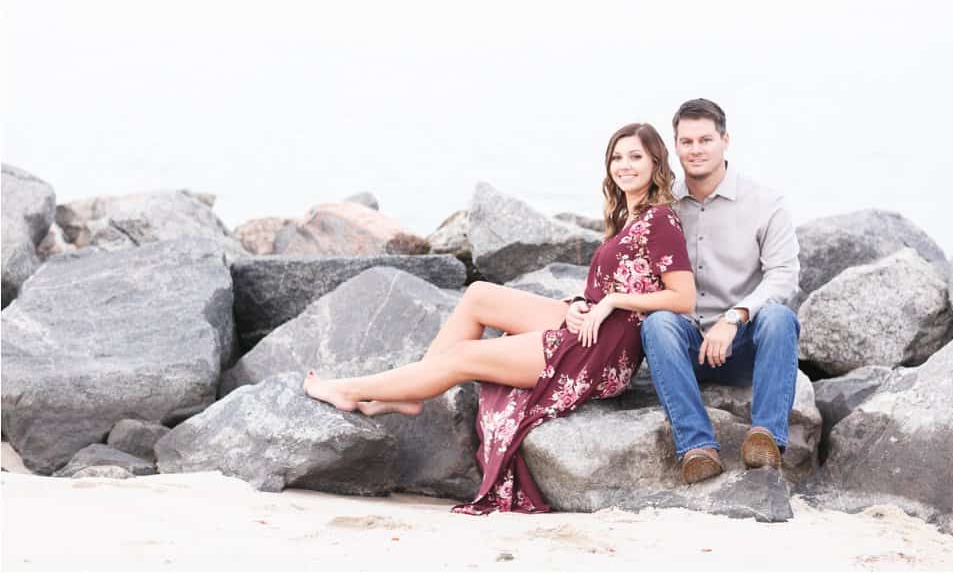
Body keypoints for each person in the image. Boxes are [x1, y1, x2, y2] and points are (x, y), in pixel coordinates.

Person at [303, 122, 695, 514]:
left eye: (635, 157)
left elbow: (683, 297)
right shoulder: (626, 214)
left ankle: (354, 390)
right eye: (617, 157)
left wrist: (612, 302)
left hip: (599, 353)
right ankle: (410, 396)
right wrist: (581, 300)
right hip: (588, 324)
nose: (624, 166)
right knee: (478, 296)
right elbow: (613, 280)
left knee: (465, 356)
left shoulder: (660, 219)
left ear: (656, 161)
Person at [640, 98, 800, 485]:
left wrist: (736, 316)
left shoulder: (765, 202)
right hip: (685, 344)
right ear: (674, 147)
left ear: (725, 140)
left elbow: (783, 276)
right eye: (686, 141)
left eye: (705, 140)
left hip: (742, 343)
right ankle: (698, 449)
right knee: (657, 324)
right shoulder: (662, 204)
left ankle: (765, 438)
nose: (695, 150)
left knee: (780, 317)